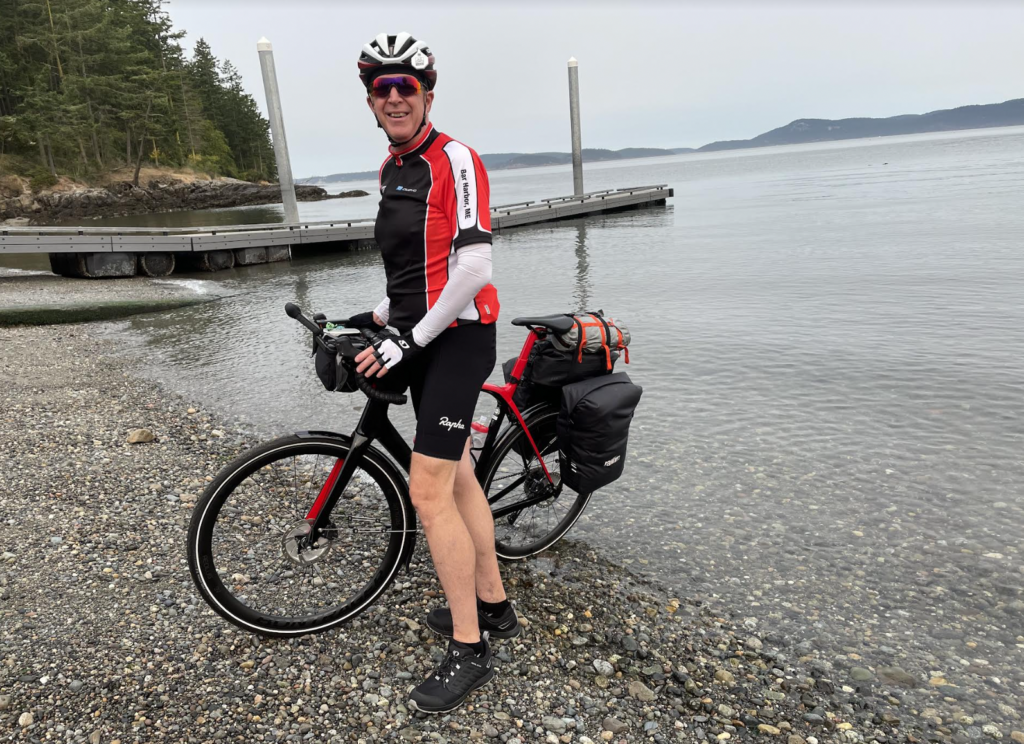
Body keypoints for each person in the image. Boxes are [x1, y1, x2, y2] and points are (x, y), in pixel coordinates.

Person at [350, 32, 520, 714]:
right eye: (383, 89)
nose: (395, 98)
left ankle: (469, 648)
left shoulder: (456, 159)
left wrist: (408, 341)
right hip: (418, 332)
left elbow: (472, 267)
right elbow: (416, 266)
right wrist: (376, 314)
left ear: (426, 94)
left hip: (459, 337)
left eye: (407, 88)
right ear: (371, 101)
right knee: (458, 475)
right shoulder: (391, 166)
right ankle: (494, 604)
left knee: (427, 491)